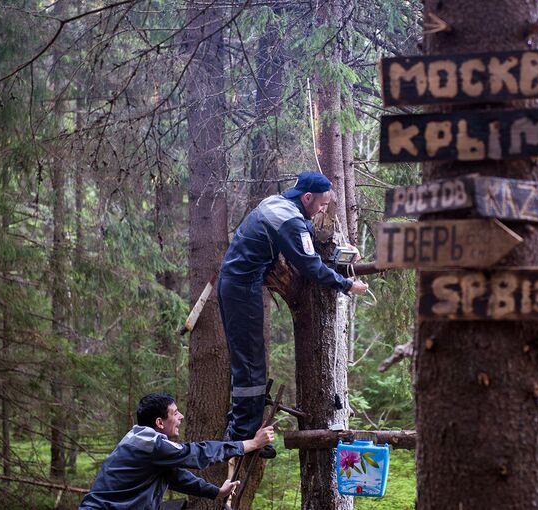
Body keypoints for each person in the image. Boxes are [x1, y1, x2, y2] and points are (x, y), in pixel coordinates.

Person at [218, 172, 368, 457]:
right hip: (241, 288)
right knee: (251, 363)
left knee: (249, 359)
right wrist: (347, 284)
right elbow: (310, 266)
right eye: (322, 204)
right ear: (307, 197)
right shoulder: (290, 221)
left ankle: (243, 428)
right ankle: (241, 436)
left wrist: (341, 250)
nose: (323, 210)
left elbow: (304, 241)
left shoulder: (278, 203)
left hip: (238, 283)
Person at [79, 392, 274, 509]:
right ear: (159, 422)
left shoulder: (142, 441)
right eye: (175, 413)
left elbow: (176, 477)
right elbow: (198, 453)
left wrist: (216, 492)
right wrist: (251, 444)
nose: (180, 416)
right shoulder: (152, 443)